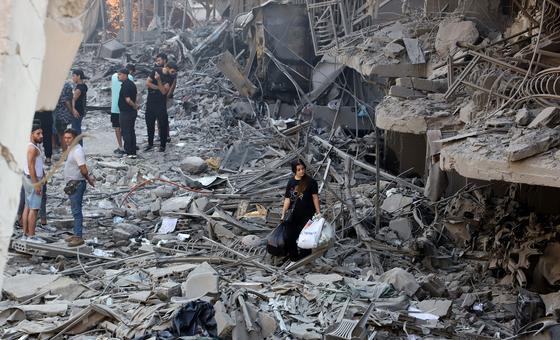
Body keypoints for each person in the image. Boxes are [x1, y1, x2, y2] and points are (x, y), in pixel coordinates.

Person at [281, 159, 321, 261]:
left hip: (307, 214)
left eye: (303, 169)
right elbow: (287, 199)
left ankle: (305, 259)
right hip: (293, 214)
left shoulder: (311, 182)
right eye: (298, 169)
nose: (301, 171)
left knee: (306, 237)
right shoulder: (291, 182)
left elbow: (315, 197)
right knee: (290, 236)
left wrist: (318, 212)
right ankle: (294, 258)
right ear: (294, 170)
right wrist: (283, 213)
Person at [63, 128, 95, 247]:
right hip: (72, 183)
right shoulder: (71, 148)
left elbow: (83, 169)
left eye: (69, 138)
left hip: (76, 184)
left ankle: (78, 237)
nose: (66, 140)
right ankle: (76, 234)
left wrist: (88, 179)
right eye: (65, 138)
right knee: (75, 210)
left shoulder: (77, 151)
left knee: (76, 211)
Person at [21, 121, 47, 243]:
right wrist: (37, 184)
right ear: (31, 134)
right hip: (33, 180)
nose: (41, 135)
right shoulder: (32, 148)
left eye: (42, 133)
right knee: (34, 209)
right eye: (38, 133)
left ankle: (25, 234)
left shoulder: (30, 146)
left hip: (28, 179)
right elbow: (31, 167)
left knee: (27, 206)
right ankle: (31, 236)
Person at [144, 61, 177, 152]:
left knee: (162, 125)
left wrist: (158, 81)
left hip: (161, 103)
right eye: (173, 71)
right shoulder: (156, 70)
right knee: (149, 124)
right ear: (167, 67)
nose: (174, 73)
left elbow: (164, 92)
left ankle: (162, 146)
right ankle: (150, 144)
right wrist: (159, 87)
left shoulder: (170, 78)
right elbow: (147, 83)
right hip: (150, 101)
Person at [111, 64, 135, 154]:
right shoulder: (130, 78)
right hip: (126, 108)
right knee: (128, 128)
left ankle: (120, 146)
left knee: (117, 127)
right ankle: (129, 146)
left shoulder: (113, 76)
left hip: (114, 107)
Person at [118, 68, 139, 157]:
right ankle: (132, 150)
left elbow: (128, 99)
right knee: (131, 131)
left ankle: (129, 151)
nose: (118, 76)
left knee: (126, 132)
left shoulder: (126, 85)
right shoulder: (131, 84)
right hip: (130, 112)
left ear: (125, 75)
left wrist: (134, 106)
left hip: (126, 112)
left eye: (119, 74)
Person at [54, 81, 75, 152]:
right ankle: (65, 152)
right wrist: (72, 111)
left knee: (61, 134)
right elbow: (67, 101)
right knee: (63, 134)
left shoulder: (56, 84)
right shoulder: (67, 85)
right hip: (64, 114)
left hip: (58, 113)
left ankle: (64, 152)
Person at [71, 69, 88, 146]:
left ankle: (78, 146)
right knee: (77, 128)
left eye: (74, 76)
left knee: (75, 129)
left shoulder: (79, 88)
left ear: (79, 76)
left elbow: (73, 99)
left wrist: (73, 109)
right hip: (81, 109)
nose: (72, 78)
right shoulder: (84, 86)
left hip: (77, 111)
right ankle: (79, 146)